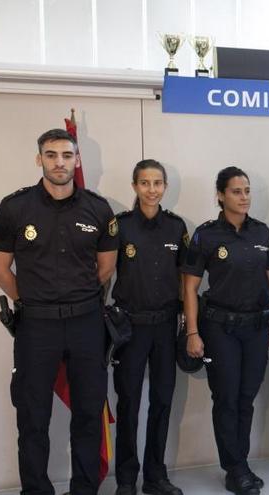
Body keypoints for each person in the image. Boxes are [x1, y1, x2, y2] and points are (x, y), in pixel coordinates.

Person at [0, 129, 118, 494]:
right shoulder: (14, 208)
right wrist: (30, 300)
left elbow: (105, 268)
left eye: (66, 155)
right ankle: (36, 489)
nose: (59, 162)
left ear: (77, 160)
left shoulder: (98, 208)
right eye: (51, 155)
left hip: (86, 326)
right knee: (32, 417)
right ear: (39, 159)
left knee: (89, 413)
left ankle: (84, 489)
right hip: (36, 327)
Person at [181, 166, 269, 495]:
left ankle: (240, 463)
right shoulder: (206, 235)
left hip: (255, 327)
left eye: (247, 190)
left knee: (246, 398)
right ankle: (235, 468)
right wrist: (192, 332)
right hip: (219, 328)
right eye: (237, 191)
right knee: (226, 399)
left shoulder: (262, 233)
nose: (244, 197)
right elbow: (190, 286)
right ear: (221, 195)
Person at [112, 160, 187, 495]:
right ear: (134, 186)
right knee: (128, 402)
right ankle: (126, 479)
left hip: (165, 327)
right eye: (145, 183)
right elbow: (101, 271)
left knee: (162, 400)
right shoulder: (121, 226)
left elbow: (187, 277)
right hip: (130, 326)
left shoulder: (176, 227)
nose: (152, 189)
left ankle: (155, 476)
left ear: (165, 187)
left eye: (158, 183)